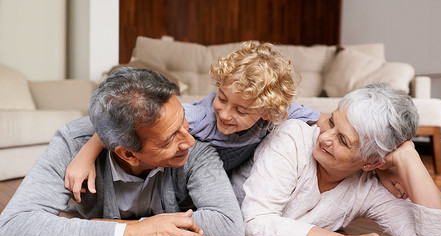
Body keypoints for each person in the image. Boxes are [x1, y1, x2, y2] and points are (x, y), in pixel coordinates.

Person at [0, 68, 244, 236]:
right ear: (127, 153)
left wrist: (107, 226)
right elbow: (11, 229)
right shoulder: (73, 143)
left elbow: (229, 225)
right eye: (170, 138)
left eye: (183, 120)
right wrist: (131, 235)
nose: (189, 140)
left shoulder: (197, 146)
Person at [64, 41, 324, 202]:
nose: (224, 114)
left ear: (267, 112)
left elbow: (322, 119)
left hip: (233, 180)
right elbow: (120, 124)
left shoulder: (276, 116)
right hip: (189, 179)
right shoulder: (198, 117)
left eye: (241, 111)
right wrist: (85, 156)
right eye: (222, 98)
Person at [231, 82, 441, 236]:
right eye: (332, 122)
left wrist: (408, 156)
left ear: (372, 162)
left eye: (343, 140)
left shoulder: (368, 187)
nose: (325, 137)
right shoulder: (293, 137)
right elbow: (255, 221)